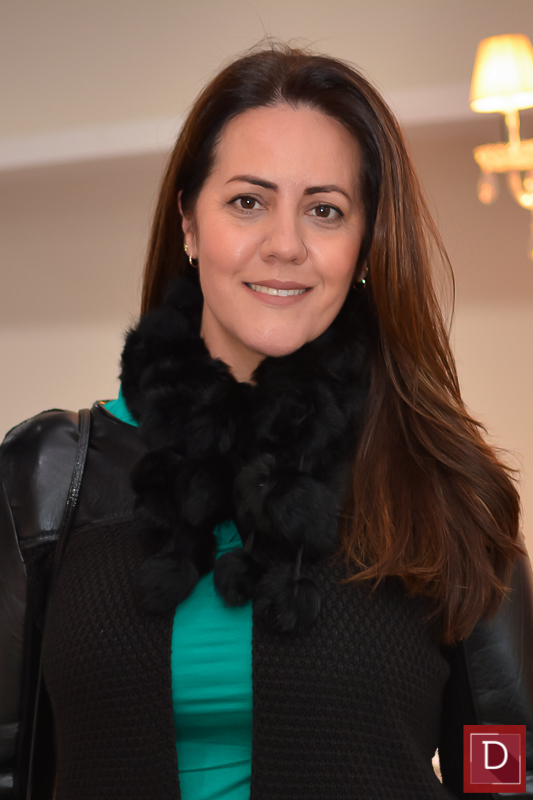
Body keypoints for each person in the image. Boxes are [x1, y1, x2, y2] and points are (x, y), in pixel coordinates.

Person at [0, 44, 532, 800]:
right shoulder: (49, 479)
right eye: (248, 202)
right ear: (189, 223)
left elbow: (509, 776)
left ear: (364, 246)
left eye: (324, 210)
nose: (285, 245)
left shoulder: (446, 484)